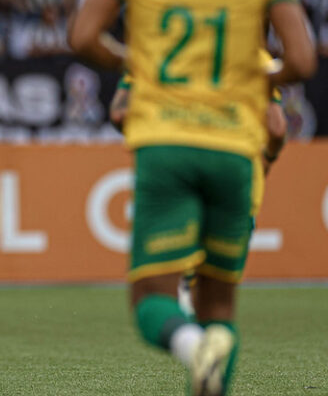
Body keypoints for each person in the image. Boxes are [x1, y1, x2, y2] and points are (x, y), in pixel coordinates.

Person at [69, 0, 315, 396]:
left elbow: (82, 37)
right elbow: (302, 62)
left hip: (168, 143)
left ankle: (188, 344)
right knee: (220, 310)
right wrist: (260, 74)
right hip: (235, 148)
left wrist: (130, 60)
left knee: (150, 300)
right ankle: (207, 359)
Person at [110, 50, 288, 316]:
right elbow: (277, 128)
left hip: (174, 163)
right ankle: (204, 333)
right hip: (235, 168)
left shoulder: (155, 42)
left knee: (158, 286)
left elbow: (120, 114)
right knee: (215, 291)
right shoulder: (255, 54)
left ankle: (182, 332)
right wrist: (268, 158)